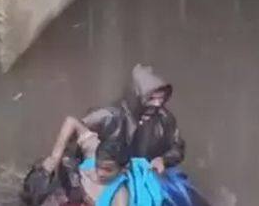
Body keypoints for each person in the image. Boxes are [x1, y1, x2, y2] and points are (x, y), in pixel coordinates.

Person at [78, 65, 208, 206]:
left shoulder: (165, 119)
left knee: (186, 198)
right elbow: (75, 132)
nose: (158, 104)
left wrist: (163, 160)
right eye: (151, 98)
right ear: (136, 96)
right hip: (111, 177)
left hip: (150, 177)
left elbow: (177, 147)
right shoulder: (110, 116)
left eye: (161, 99)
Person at [38, 116, 130, 206]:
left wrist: (86, 199)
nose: (100, 173)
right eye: (97, 166)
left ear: (123, 169)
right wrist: (54, 158)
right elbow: (71, 122)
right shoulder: (94, 153)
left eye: (108, 170)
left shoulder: (120, 195)